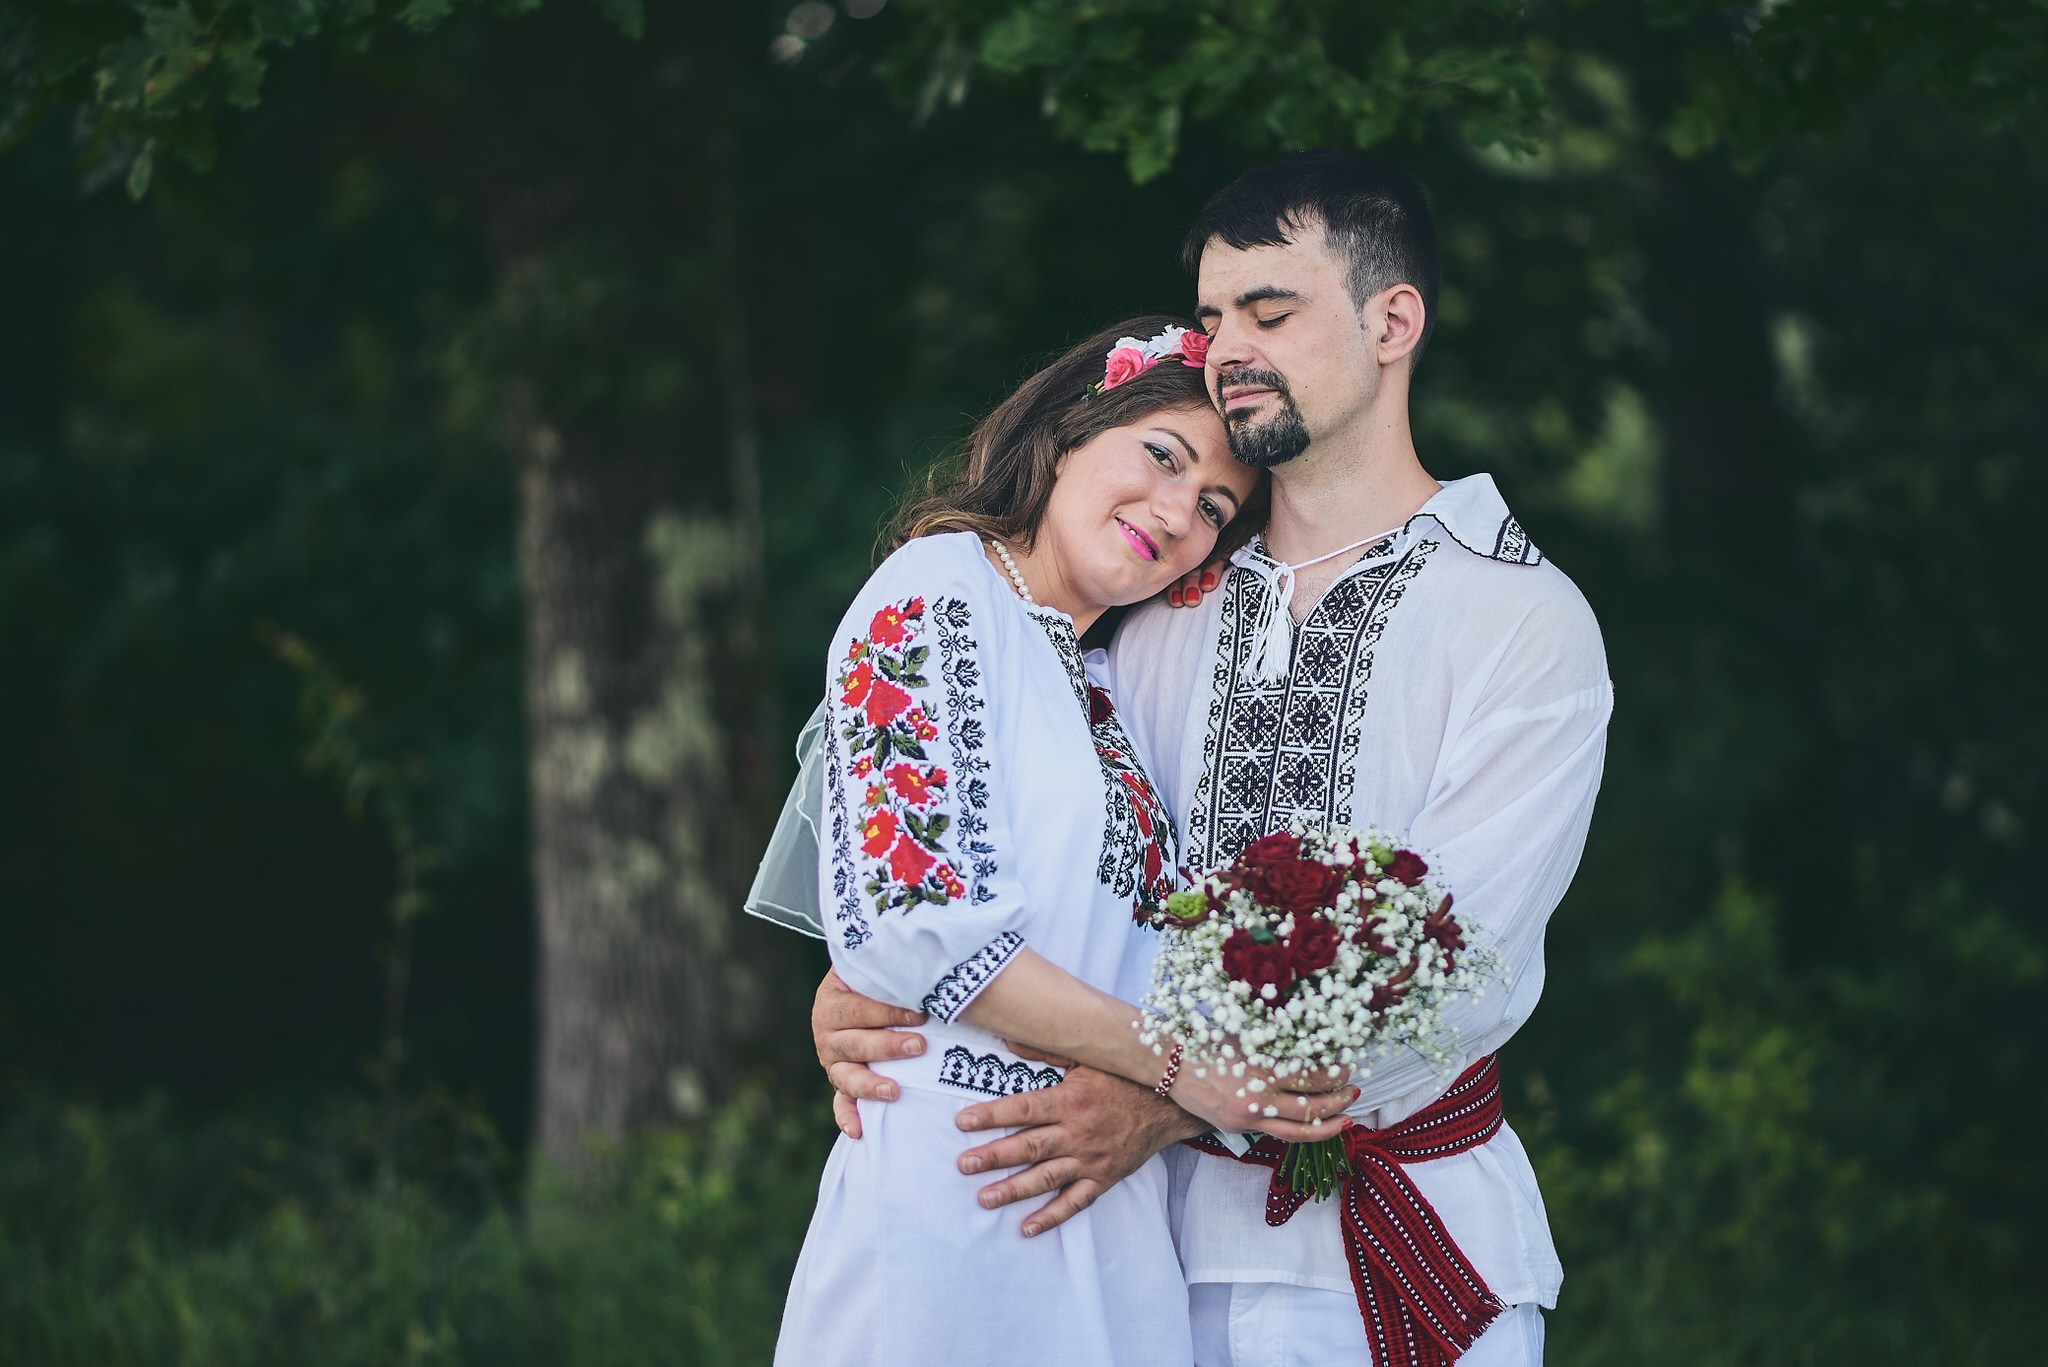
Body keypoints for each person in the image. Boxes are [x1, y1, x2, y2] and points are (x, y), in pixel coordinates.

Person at [811, 153, 1613, 1367]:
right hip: (1138, 1259)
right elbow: (1000, 859)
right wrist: (875, 979)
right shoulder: (1144, 613)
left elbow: (1459, 967)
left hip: (1388, 1255)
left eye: (1269, 311)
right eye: (1212, 315)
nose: (1228, 346)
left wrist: (1166, 1099)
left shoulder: (1517, 617)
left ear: (1392, 321)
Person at [773, 315, 1355, 1367]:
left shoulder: (1107, 688)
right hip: (958, 1191)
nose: (1177, 513)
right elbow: (919, 923)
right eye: (1163, 456)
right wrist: (1183, 1068)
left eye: (1214, 508)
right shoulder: (939, 587)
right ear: (1069, 427)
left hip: (1111, 1212)